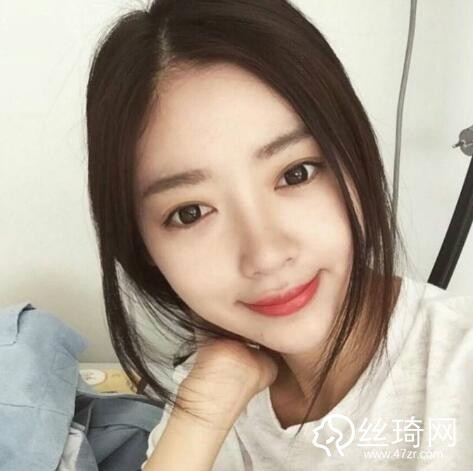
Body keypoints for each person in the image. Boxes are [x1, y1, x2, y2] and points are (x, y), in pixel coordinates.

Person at [85, 0, 473, 469]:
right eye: (191, 213)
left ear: (354, 157)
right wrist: (206, 409)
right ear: (141, 244)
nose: (266, 256)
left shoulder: (459, 372)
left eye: (296, 174)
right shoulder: (209, 389)